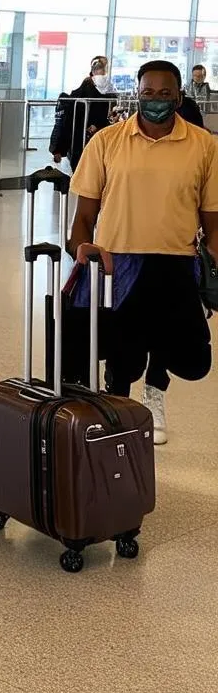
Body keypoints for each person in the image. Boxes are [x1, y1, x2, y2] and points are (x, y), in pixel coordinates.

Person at [69, 59, 218, 445]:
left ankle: (155, 395)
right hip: (119, 261)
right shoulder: (106, 141)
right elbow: (85, 215)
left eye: (165, 94)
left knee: (173, 343)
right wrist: (80, 247)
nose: (156, 100)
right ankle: (116, 401)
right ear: (137, 94)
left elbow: (213, 220)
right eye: (148, 93)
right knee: (123, 346)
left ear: (179, 96)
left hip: (176, 259)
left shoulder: (204, 145)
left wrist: (213, 266)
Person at [50, 56, 115, 171]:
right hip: (95, 134)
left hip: (81, 136)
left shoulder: (82, 90)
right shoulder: (108, 90)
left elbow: (67, 121)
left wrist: (58, 149)